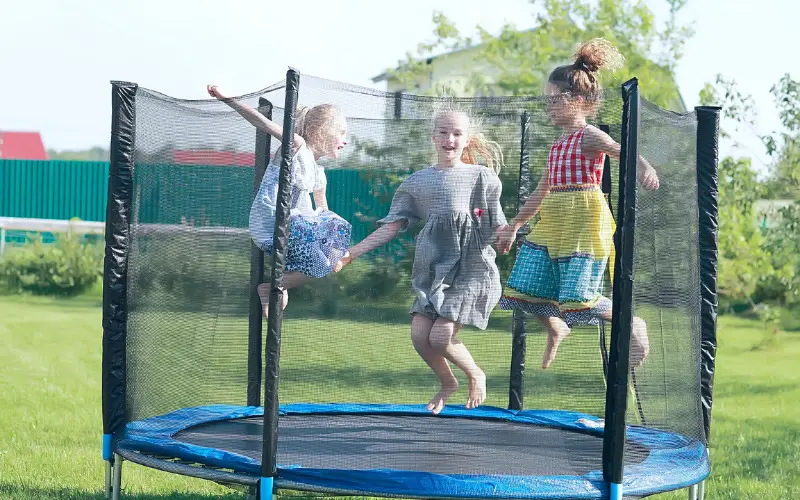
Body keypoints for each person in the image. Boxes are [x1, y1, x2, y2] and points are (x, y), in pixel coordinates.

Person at [496, 39, 659, 370]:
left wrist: (645, 167)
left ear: (580, 101)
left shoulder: (589, 136)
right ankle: (557, 327)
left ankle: (630, 322)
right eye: (548, 101)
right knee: (526, 287)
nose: (549, 107)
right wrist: (515, 224)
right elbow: (541, 191)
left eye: (555, 100)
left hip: (583, 223)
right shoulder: (557, 145)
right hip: (554, 224)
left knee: (579, 298)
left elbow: (622, 149)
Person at [334, 107, 508, 415]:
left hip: (471, 269)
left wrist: (509, 234)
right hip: (434, 271)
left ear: (466, 140)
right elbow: (391, 226)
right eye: (443, 132)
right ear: (433, 137)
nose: (449, 139)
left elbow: (498, 223)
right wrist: (352, 253)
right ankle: (447, 382)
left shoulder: (480, 177)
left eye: (456, 133)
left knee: (441, 336)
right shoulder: (417, 182)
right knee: (419, 335)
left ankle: (475, 374)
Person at [208, 85, 352, 316]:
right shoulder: (297, 146)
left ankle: (277, 285)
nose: (346, 140)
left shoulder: (319, 173)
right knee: (328, 251)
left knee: (325, 261)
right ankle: (277, 285)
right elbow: (261, 123)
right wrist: (226, 99)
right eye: (342, 132)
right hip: (272, 221)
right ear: (321, 130)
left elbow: (324, 211)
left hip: (294, 228)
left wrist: (336, 248)